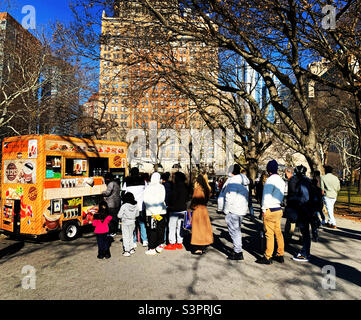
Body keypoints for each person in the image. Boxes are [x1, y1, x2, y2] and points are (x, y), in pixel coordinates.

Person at [257, 160, 285, 265]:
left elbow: (266, 196)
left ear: (269, 170)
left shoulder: (269, 181)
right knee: (278, 232)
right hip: (278, 208)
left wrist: (263, 209)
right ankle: (280, 254)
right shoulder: (281, 181)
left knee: (269, 234)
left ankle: (268, 256)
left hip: (270, 208)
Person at [219, 164, 250, 260]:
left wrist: (225, 210)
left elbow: (229, 196)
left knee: (234, 231)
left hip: (233, 209)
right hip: (241, 209)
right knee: (237, 231)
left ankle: (238, 251)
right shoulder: (244, 181)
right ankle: (237, 249)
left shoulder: (233, 181)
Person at [292, 165, 320, 262]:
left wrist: (297, 203)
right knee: (306, 233)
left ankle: (305, 254)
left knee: (305, 233)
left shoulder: (303, 183)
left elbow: (304, 198)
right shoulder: (308, 181)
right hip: (309, 210)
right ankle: (306, 252)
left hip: (304, 210)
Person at [122, 167, 148, 248]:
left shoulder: (127, 182)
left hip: (131, 207)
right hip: (141, 206)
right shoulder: (143, 181)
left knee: (132, 224)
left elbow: (123, 194)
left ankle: (133, 241)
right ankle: (144, 240)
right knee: (142, 223)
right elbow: (147, 191)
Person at [143, 172, 167, 255]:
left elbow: (146, 200)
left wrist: (153, 211)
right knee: (161, 229)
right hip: (161, 212)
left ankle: (152, 248)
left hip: (151, 213)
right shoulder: (161, 187)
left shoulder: (148, 187)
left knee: (152, 230)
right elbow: (162, 199)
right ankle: (159, 245)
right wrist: (158, 211)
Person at [190, 173, 214, 255]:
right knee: (203, 229)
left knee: (198, 229)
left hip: (198, 211)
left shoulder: (198, 189)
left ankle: (198, 248)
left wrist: (191, 207)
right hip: (204, 210)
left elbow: (194, 201)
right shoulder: (206, 189)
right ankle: (203, 245)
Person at [164, 171, 188, 250]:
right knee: (180, 226)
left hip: (174, 209)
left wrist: (169, 204)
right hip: (183, 209)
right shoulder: (186, 186)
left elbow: (172, 198)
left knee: (172, 226)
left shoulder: (175, 187)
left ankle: (172, 243)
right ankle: (180, 242)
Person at [118, 192, 139, 257]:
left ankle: (127, 251)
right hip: (132, 222)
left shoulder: (124, 206)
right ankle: (131, 248)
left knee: (125, 236)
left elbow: (119, 215)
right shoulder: (136, 205)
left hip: (125, 222)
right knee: (131, 235)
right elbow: (137, 214)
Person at [102, 173, 121, 237]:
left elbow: (107, 193)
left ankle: (112, 231)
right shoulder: (116, 183)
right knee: (115, 217)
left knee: (111, 218)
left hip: (111, 204)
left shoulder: (111, 183)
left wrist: (101, 192)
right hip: (117, 203)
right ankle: (115, 230)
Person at [284, 167, 298, 242]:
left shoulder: (292, 181)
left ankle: (288, 236)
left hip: (292, 204)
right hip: (295, 204)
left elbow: (292, 192)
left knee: (290, 221)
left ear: (289, 172)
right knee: (293, 221)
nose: (285, 174)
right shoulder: (295, 179)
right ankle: (289, 235)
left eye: (285, 173)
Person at [161, 172, 172, 244]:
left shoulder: (162, 186)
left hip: (163, 205)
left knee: (163, 224)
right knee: (169, 223)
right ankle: (169, 238)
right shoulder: (171, 185)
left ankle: (164, 238)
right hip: (170, 205)